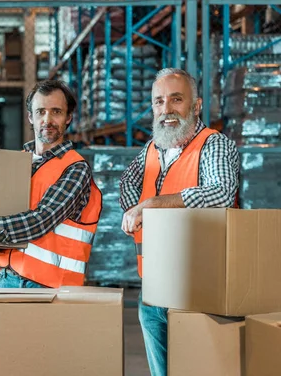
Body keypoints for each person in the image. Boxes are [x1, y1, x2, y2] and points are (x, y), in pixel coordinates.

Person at [119, 68, 240, 376]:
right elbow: (127, 182)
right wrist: (133, 209)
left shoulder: (214, 145)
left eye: (176, 99)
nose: (166, 109)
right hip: (154, 288)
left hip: (199, 289)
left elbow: (222, 193)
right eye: (159, 102)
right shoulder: (151, 149)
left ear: (196, 105)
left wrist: (152, 205)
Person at [0, 79, 103, 289]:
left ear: (68, 118)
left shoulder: (75, 168)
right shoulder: (18, 163)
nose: (47, 119)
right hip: (7, 278)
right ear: (30, 117)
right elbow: (5, 216)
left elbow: (39, 221)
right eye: (41, 111)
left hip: (51, 288)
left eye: (56, 112)